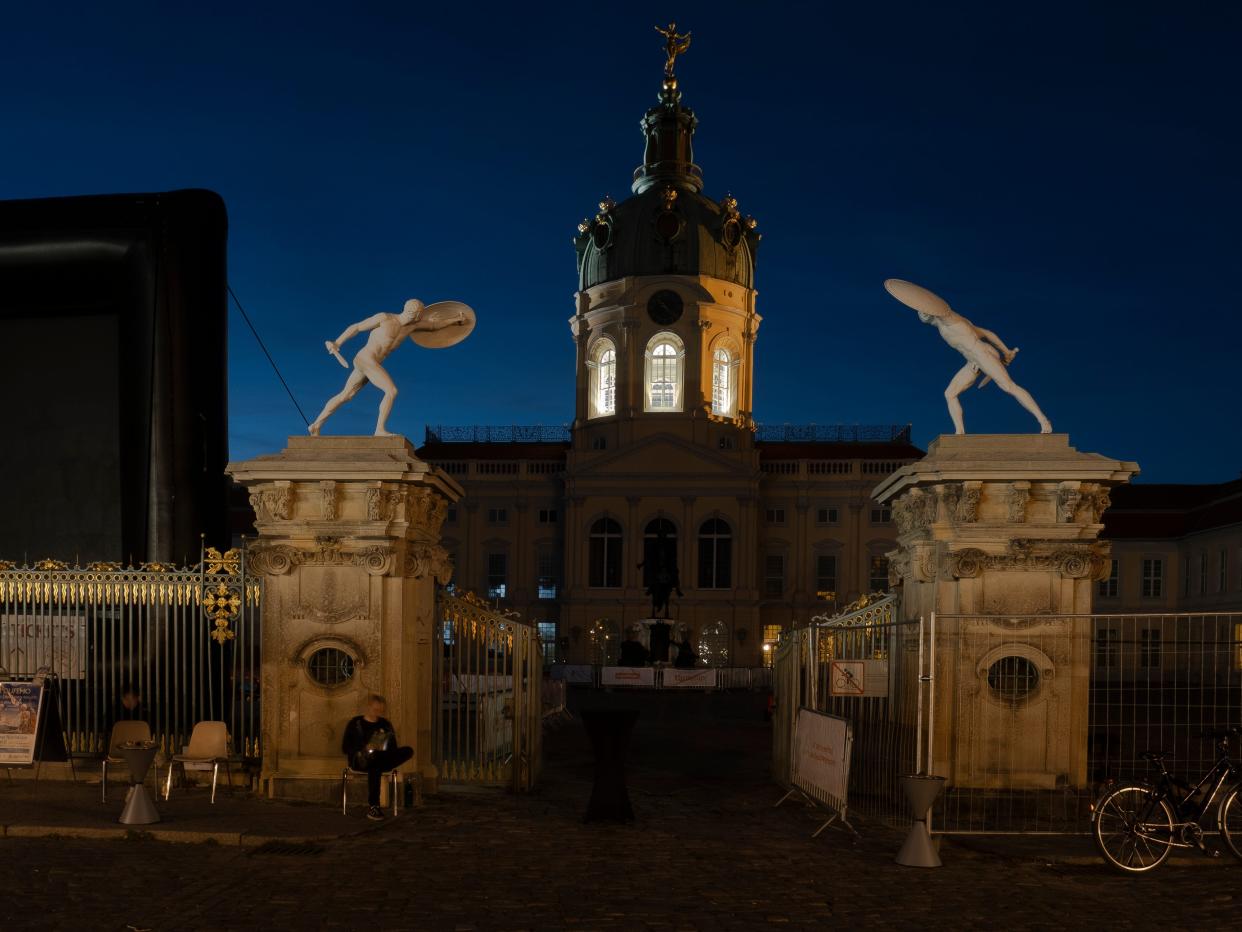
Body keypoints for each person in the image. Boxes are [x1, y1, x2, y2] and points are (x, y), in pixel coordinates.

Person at [887, 279, 1052, 435]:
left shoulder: (950, 318)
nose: (921, 312)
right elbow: (986, 333)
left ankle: (1043, 419)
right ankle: (960, 433)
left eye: (923, 309)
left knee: (1008, 386)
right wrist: (1004, 351)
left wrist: (1005, 351)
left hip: (983, 354)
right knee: (950, 393)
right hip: (973, 361)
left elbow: (986, 334)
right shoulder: (942, 328)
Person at [308, 299, 469, 437]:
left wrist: (456, 319)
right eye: (420, 313)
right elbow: (357, 327)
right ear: (416, 313)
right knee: (391, 391)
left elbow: (434, 326)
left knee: (346, 395)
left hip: (372, 363)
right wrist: (338, 342)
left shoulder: (412, 326)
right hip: (365, 358)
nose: (420, 316)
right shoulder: (385, 318)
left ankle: (315, 425)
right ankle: (379, 430)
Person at [341, 694, 414, 820]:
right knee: (375, 763)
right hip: (360, 760)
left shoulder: (385, 724)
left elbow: (393, 748)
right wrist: (364, 748)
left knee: (408, 750)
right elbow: (345, 747)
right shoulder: (356, 724)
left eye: (381, 711)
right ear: (368, 708)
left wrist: (384, 744)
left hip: (382, 758)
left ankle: (374, 808)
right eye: (376, 710)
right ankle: (374, 806)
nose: (378, 714)